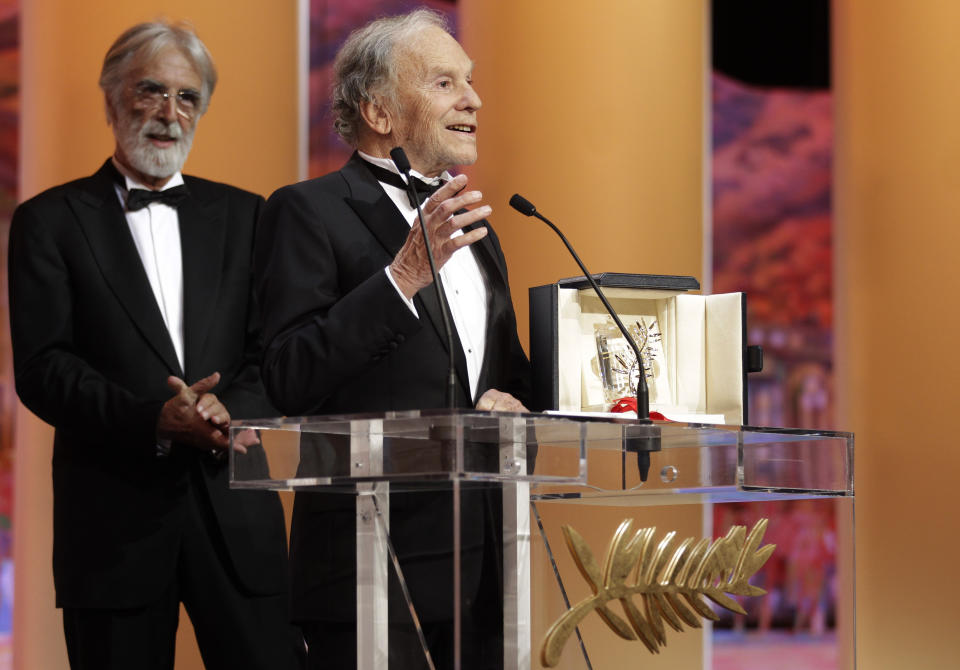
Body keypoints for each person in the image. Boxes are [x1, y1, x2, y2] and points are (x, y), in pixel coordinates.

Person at [8, 21, 303, 670]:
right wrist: (153, 420)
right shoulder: (48, 222)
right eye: (151, 91)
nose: (171, 114)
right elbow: (44, 367)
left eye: (188, 97)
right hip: (112, 528)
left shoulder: (248, 216)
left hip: (238, 521)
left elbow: (269, 351)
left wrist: (235, 410)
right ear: (112, 99)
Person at [254, 8, 531, 669]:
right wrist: (401, 277)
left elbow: (508, 373)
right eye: (444, 83)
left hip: (484, 571)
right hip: (367, 568)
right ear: (378, 111)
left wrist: (517, 402)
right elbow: (288, 375)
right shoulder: (307, 211)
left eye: (470, 81)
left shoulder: (475, 229)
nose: (473, 99)